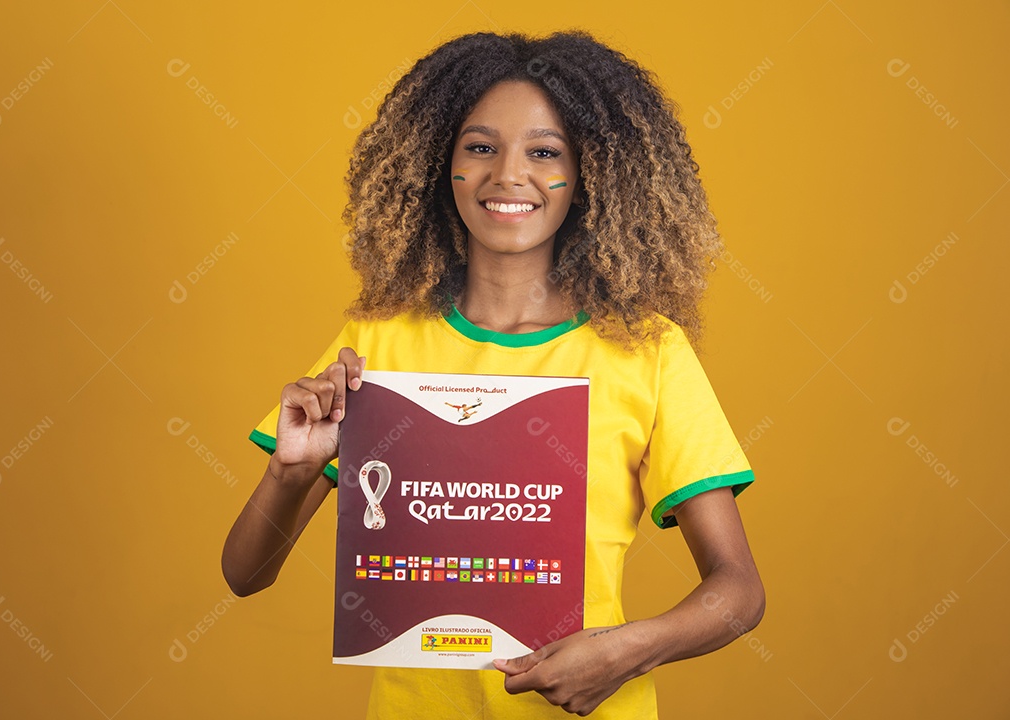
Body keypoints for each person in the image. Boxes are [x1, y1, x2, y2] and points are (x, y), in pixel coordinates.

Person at [222, 29, 764, 718]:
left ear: (591, 174)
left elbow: (738, 589)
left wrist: (629, 650)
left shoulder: (647, 352)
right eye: (480, 147)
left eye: (545, 152)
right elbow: (244, 576)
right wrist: (291, 470)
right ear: (437, 165)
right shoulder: (377, 344)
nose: (508, 175)